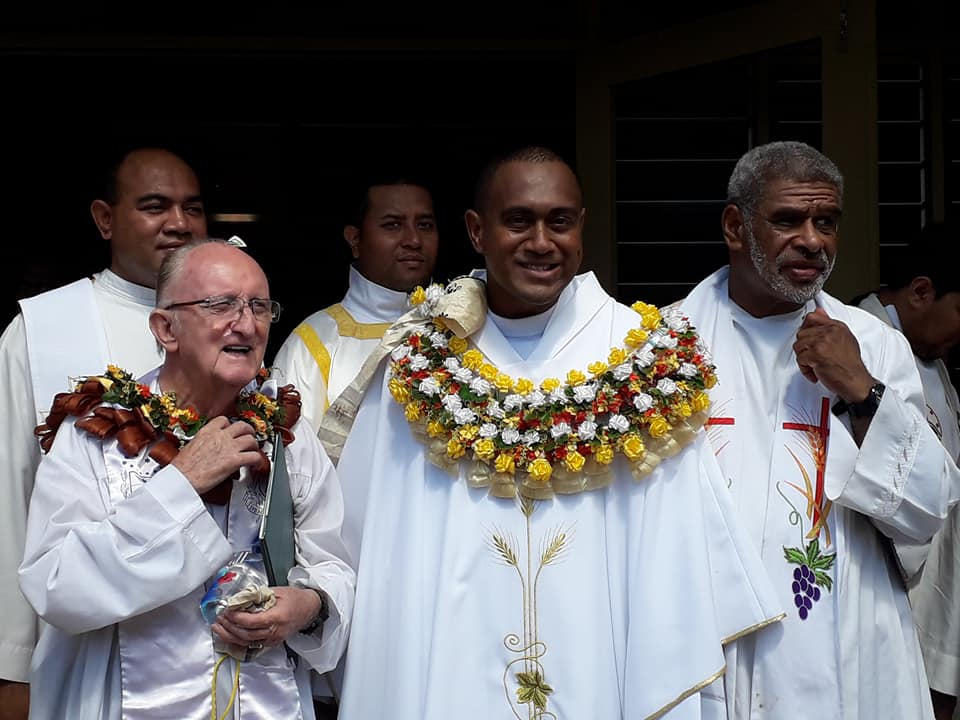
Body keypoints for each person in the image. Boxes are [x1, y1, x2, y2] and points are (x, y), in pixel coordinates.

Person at [327, 146, 783, 719]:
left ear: (581, 228)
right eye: (518, 220)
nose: (541, 241)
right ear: (476, 231)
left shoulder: (641, 357)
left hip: (603, 669)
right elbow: (377, 549)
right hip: (451, 675)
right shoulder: (419, 361)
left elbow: (678, 559)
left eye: (559, 222)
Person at [678, 140, 960, 719]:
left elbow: (930, 507)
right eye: (788, 220)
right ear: (735, 226)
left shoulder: (874, 343)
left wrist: (861, 388)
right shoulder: (665, 345)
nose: (813, 239)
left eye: (826, 221)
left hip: (845, 635)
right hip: (705, 638)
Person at [19, 239, 356, 719]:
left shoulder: (285, 432)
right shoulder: (97, 431)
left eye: (260, 306)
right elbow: (55, 586)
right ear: (166, 327)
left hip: (267, 700)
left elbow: (334, 564)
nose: (246, 322)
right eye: (220, 304)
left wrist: (309, 604)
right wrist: (182, 482)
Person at [0, 146, 206, 719]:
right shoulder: (41, 330)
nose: (179, 223)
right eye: (154, 206)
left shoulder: (234, 321)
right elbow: (8, 496)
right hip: (89, 638)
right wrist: (11, 661)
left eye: (193, 207)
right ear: (105, 219)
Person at [853, 221, 960, 720]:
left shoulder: (932, 360)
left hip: (940, 591)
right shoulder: (853, 348)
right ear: (921, 291)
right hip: (882, 595)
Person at [272, 175, 439, 425]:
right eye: (393, 225)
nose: (413, 240)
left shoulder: (462, 328)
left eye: (425, 225)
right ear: (355, 239)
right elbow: (295, 458)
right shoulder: (313, 342)